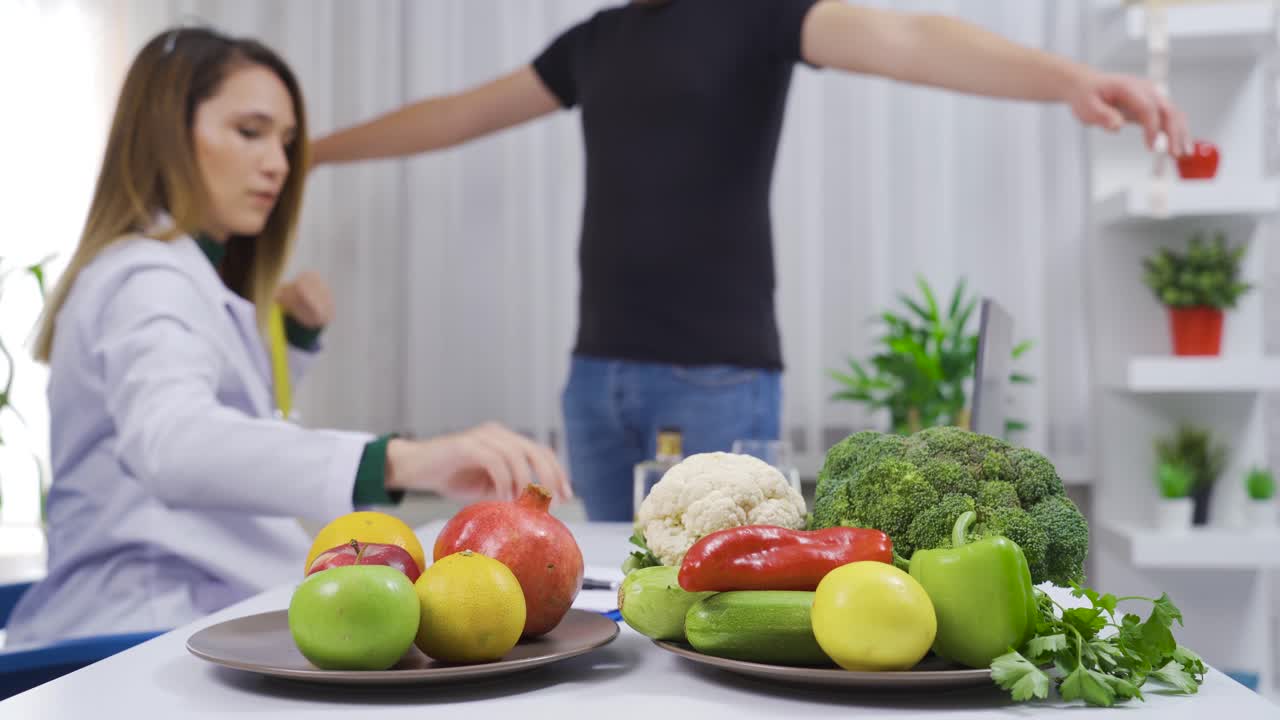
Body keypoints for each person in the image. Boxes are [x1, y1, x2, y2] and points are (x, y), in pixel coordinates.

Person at [310, 0, 1190, 522]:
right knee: (623, 602)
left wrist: (1071, 79)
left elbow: (908, 41)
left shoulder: (758, 13)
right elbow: (454, 114)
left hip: (718, 381)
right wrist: (310, 149)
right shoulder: (594, 42)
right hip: (597, 383)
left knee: (724, 609)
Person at [6, 26, 570, 646]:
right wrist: (402, 459)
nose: (278, 164)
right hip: (144, 623)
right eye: (250, 132)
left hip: (186, 609)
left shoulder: (181, 275)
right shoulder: (147, 278)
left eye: (286, 142)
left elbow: (224, 418)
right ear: (164, 135)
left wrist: (293, 343)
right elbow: (175, 443)